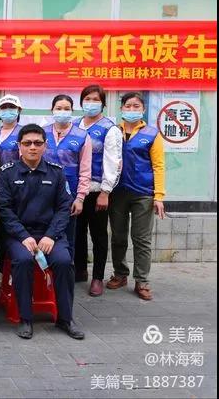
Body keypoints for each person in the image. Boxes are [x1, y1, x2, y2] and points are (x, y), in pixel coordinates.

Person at [0, 124, 84, 340]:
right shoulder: (7, 173)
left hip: (49, 235)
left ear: (45, 146)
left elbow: (64, 208)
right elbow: (4, 209)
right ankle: (25, 318)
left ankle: (65, 318)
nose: (32, 147)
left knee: (64, 261)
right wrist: (23, 236)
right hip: (19, 235)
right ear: (19, 146)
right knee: (24, 260)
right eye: (27, 143)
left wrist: (50, 236)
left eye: (37, 143)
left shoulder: (56, 172)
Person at [107, 92, 165, 301]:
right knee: (118, 236)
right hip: (118, 192)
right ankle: (120, 274)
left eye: (136, 106)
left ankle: (142, 280)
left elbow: (158, 166)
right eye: (128, 106)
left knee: (141, 239)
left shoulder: (152, 134)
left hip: (143, 193)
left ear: (143, 109)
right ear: (121, 108)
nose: (132, 109)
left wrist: (158, 196)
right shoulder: (113, 131)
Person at [75, 85, 122, 296]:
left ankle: (97, 277)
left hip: (97, 191)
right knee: (77, 233)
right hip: (77, 190)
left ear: (103, 104)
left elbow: (113, 162)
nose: (91, 103)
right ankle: (80, 269)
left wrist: (105, 191)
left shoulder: (109, 129)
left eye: (96, 99)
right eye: (87, 99)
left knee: (98, 236)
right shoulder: (75, 125)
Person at [43, 94, 92, 253]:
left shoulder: (82, 136)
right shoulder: (42, 133)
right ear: (52, 110)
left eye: (66, 108)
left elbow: (85, 170)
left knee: (68, 238)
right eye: (58, 108)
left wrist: (80, 198)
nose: (62, 111)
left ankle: (66, 268)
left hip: (70, 196)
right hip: (43, 193)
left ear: (72, 111)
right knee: (43, 235)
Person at [0, 94, 24, 271]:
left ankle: (16, 271)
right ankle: (3, 272)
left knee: (16, 230)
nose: (7, 111)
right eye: (4, 108)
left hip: (18, 189)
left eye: (11, 108)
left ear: (19, 111)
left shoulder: (23, 134)